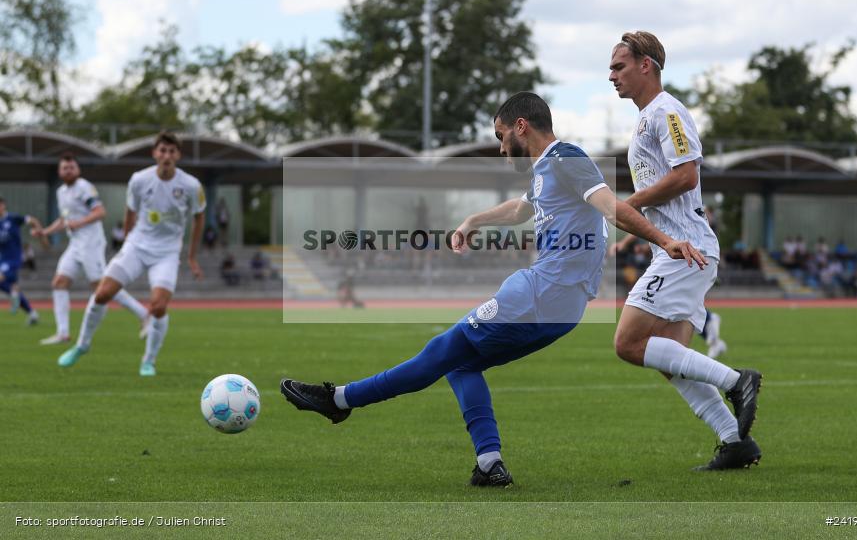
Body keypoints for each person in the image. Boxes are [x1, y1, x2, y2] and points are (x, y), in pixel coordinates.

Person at [280, 91, 707, 487]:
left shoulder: (566, 158)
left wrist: (665, 241)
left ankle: (340, 399)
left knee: (441, 350)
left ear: (522, 126)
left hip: (539, 292)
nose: (502, 150)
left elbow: (611, 208)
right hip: (563, 308)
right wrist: (473, 221)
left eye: (502, 138)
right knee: (462, 364)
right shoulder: (546, 170)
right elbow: (521, 209)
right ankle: (489, 463)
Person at [608, 31, 762, 470]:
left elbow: (686, 176)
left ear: (646, 66)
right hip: (680, 249)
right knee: (672, 362)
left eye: (619, 66)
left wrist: (630, 204)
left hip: (685, 251)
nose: (611, 75)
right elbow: (666, 196)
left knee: (628, 342)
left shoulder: (667, 111)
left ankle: (738, 381)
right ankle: (736, 443)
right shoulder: (646, 118)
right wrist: (629, 228)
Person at [57, 131, 205, 376]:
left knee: (158, 307)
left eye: (171, 151)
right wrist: (127, 241)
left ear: (178, 155)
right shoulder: (138, 180)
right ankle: (81, 345)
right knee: (103, 293)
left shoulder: (191, 186)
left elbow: (199, 218)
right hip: (137, 245)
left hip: (167, 252)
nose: (166, 155)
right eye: (162, 150)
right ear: (154, 153)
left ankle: (148, 361)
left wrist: (191, 257)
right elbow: (130, 211)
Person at [32, 153, 150, 346]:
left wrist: (79, 223)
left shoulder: (84, 188)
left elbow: (100, 212)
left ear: (77, 170)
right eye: (64, 168)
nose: (68, 171)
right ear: (59, 171)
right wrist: (45, 231)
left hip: (91, 243)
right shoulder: (61, 191)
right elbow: (64, 220)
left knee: (102, 287)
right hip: (75, 243)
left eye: (71, 167)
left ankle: (144, 314)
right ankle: (62, 333)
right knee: (59, 282)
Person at [0, 197, 40, 325]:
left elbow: (31, 220)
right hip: (3, 259)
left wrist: (39, 230)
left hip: (14, 257)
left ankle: (14, 294)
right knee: (11, 287)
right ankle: (31, 313)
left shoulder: (13, 218)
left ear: (4, 205)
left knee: (2, 279)